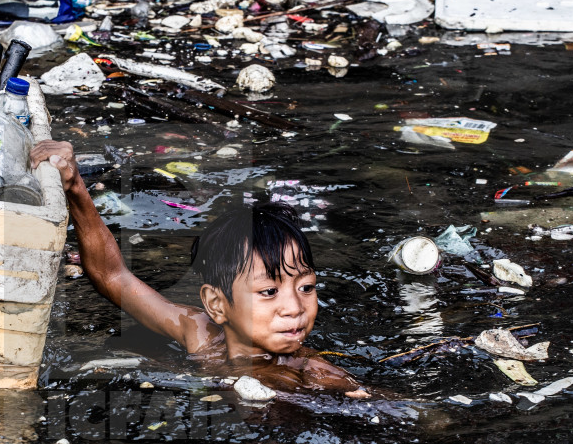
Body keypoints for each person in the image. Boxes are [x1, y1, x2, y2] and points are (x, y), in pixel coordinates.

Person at [30, 140, 371, 398]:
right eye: (269, 291)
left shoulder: (312, 373)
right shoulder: (201, 333)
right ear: (217, 304)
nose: (295, 308)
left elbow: (390, 408)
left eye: (306, 287)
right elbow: (113, 277)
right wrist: (74, 186)